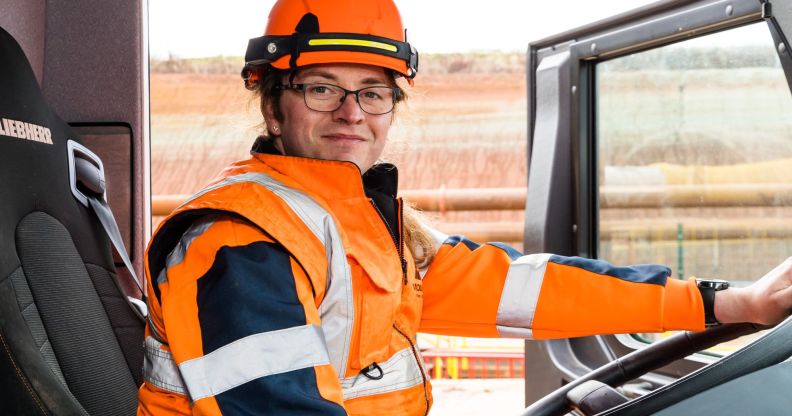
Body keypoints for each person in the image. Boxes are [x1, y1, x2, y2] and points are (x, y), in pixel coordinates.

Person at [136, 1, 792, 414]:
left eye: (373, 93)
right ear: (274, 105)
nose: (350, 112)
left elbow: (521, 289)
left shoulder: (358, 223)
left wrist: (726, 303)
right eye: (320, 89)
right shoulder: (238, 240)